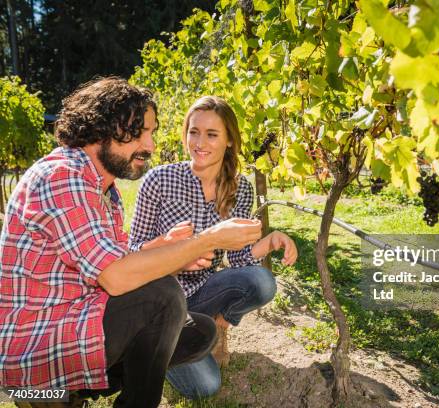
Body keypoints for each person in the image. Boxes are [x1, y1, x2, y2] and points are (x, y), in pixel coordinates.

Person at [0, 78, 263, 408]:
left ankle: (80, 388)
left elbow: (112, 258)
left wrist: (165, 248)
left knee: (200, 332)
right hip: (39, 343)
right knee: (163, 297)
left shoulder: (103, 188)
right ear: (101, 129)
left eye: (151, 133)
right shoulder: (62, 176)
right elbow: (116, 277)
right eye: (139, 133)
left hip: (79, 313)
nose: (150, 146)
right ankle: (51, 393)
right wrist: (205, 240)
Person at [128, 95, 298, 399]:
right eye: (194, 132)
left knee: (262, 281)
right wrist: (174, 255)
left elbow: (239, 259)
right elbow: (132, 252)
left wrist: (270, 242)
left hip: (203, 294)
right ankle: (160, 343)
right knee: (205, 386)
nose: (199, 142)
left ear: (229, 140)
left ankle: (216, 327)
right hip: (160, 300)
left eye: (211, 134)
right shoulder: (160, 180)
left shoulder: (239, 188)